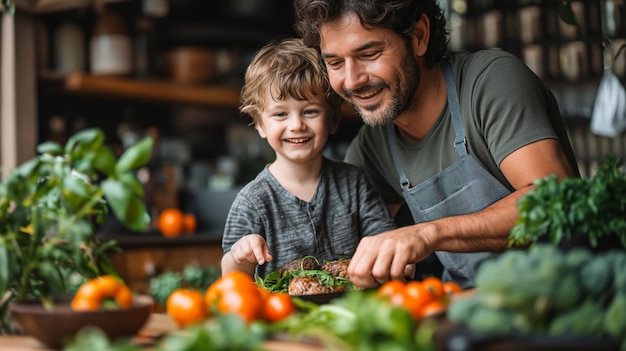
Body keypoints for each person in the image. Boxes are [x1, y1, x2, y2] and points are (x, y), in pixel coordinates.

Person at [293, 0, 579, 289]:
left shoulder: (491, 81)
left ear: (419, 37)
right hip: (466, 311)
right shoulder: (372, 147)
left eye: (369, 54)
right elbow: (333, 246)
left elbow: (554, 204)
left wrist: (428, 234)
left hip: (568, 302)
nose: (352, 81)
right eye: (335, 63)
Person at [221, 38, 397, 278]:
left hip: (351, 310)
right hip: (284, 314)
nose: (296, 125)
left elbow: (385, 242)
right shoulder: (252, 202)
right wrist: (239, 255)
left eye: (310, 111)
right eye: (281, 114)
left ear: (333, 119)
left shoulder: (354, 184)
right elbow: (233, 279)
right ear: (261, 125)